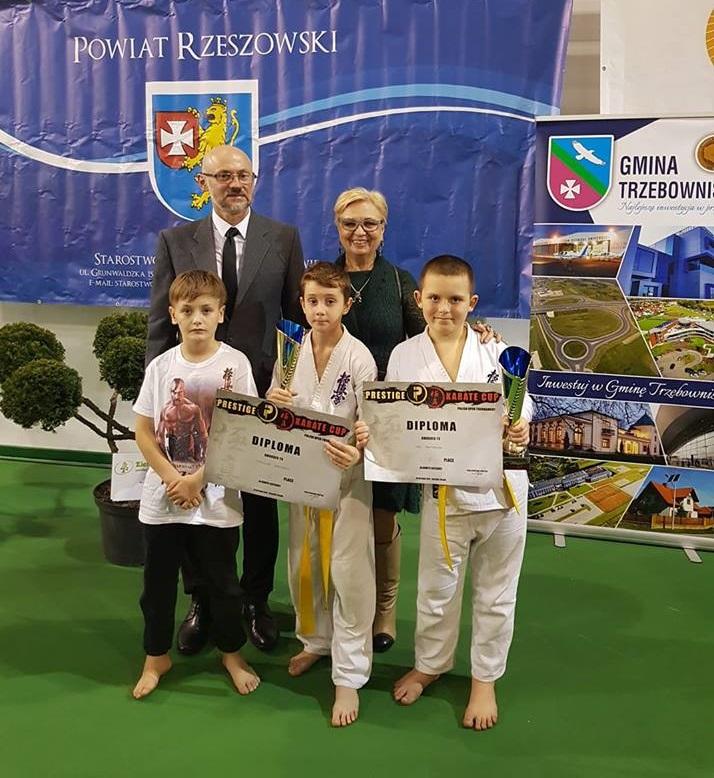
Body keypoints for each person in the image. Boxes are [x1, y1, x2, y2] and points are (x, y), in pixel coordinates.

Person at [146, 144, 305, 654]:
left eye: (243, 175)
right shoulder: (175, 241)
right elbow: (160, 322)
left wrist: (288, 384)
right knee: (194, 504)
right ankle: (203, 599)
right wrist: (155, 388)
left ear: (254, 180)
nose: (234, 184)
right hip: (193, 394)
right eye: (223, 176)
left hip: (260, 395)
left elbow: (295, 318)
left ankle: (255, 599)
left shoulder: (283, 237)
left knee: (258, 502)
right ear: (204, 182)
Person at [332, 188, 497, 653]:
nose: (360, 232)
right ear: (337, 227)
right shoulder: (325, 278)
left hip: (391, 424)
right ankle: (340, 610)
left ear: (383, 229)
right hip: (337, 413)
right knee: (340, 516)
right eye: (350, 223)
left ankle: (384, 611)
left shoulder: (400, 281)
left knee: (382, 517)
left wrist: (478, 329)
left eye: (370, 223)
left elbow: (433, 332)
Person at [385, 255, 531, 731]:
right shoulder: (404, 355)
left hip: (502, 493)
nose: (443, 308)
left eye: (454, 299)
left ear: (472, 303)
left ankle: (485, 679)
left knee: (496, 592)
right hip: (443, 493)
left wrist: (521, 427)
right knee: (435, 590)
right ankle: (431, 663)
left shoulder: (497, 350)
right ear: (418, 299)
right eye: (434, 298)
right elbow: (394, 418)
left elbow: (522, 405)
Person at [133, 270, 260, 699]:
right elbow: (144, 432)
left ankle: (231, 652)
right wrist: (174, 478)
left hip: (217, 497)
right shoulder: (160, 367)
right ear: (173, 315)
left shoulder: (235, 365)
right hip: (163, 497)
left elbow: (241, 430)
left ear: (221, 313)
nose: (197, 318)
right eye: (187, 310)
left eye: (206, 309)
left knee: (224, 584)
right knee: (157, 585)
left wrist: (199, 480)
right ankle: (155, 656)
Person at [266, 262, 377, 727]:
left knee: (348, 572)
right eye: (312, 301)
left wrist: (358, 448)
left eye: (330, 301)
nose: (320, 310)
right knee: (304, 563)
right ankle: (315, 641)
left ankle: (348, 675)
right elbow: (275, 405)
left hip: (346, 482)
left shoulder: (359, 358)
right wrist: (273, 401)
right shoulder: (290, 350)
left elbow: (371, 423)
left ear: (347, 305)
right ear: (302, 303)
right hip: (300, 478)